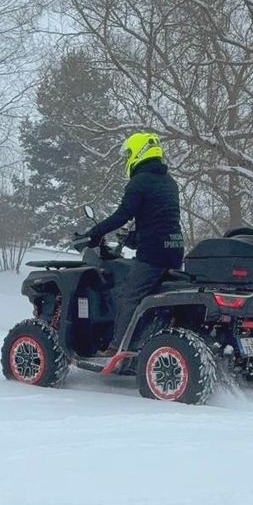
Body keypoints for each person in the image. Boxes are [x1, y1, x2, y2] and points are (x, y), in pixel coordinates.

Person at [85, 132, 184, 357]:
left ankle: (117, 349)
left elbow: (123, 215)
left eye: (129, 153)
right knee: (151, 296)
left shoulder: (139, 182)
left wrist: (95, 232)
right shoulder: (169, 182)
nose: (127, 158)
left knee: (128, 296)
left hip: (153, 253)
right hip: (174, 249)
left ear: (139, 152)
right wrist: (134, 238)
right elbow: (160, 218)